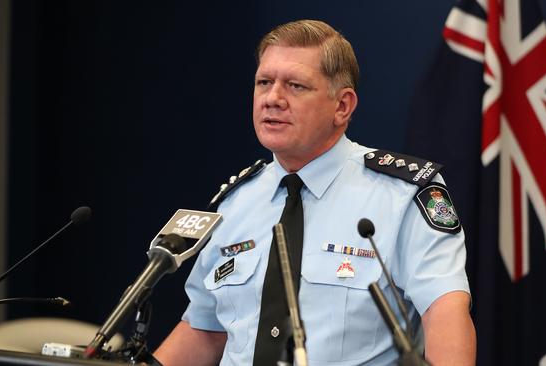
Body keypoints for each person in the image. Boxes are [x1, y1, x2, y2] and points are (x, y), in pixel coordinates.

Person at [154, 19, 476, 365]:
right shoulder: (235, 202)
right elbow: (205, 329)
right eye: (264, 82)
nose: (273, 98)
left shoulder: (400, 195)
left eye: (295, 86)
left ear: (342, 106)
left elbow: (444, 312)